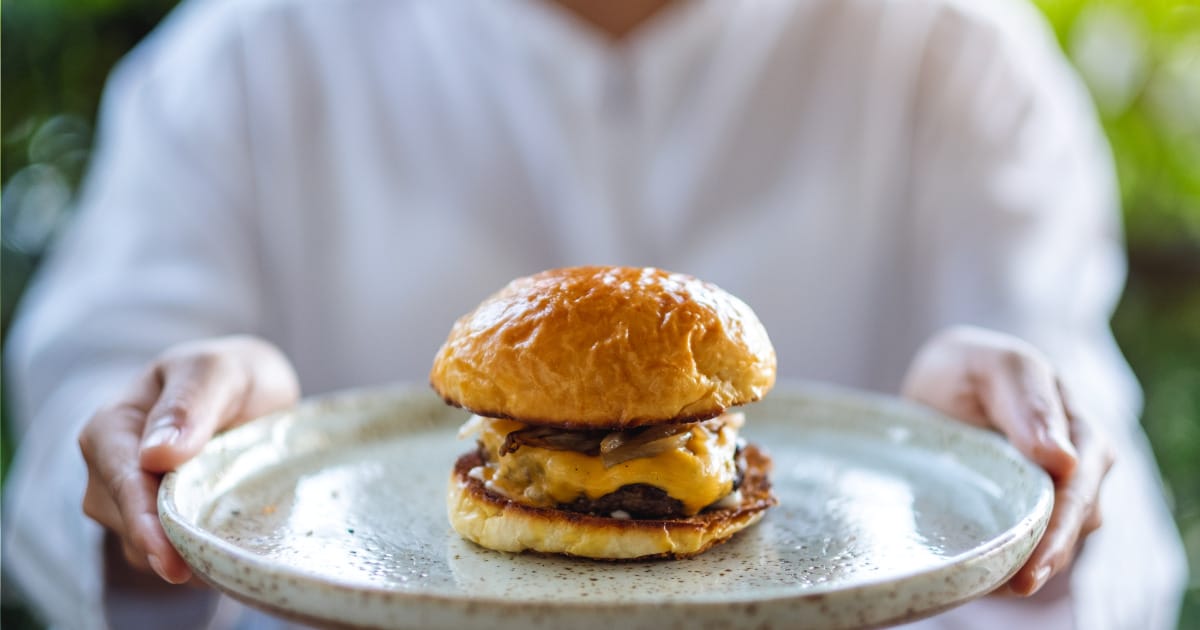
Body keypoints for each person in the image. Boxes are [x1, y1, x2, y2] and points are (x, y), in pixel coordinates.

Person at [2, 0, 1187, 628]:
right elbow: (68, 447)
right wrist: (180, 471)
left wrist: (1000, 476)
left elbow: (1121, 530)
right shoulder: (242, 57)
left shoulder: (957, 51)